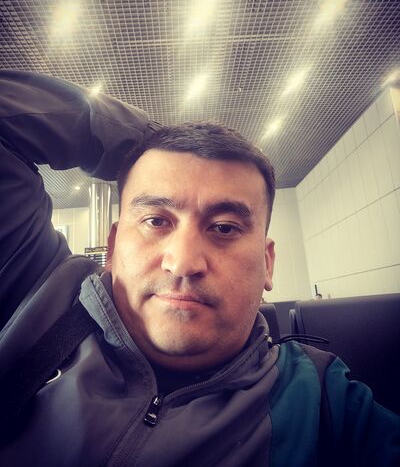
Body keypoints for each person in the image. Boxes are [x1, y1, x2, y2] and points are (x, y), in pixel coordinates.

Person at [0, 71, 399, 467]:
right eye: (156, 221)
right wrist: (147, 143)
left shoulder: (322, 400)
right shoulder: (35, 295)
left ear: (267, 263)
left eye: (224, 228)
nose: (183, 263)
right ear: (115, 245)